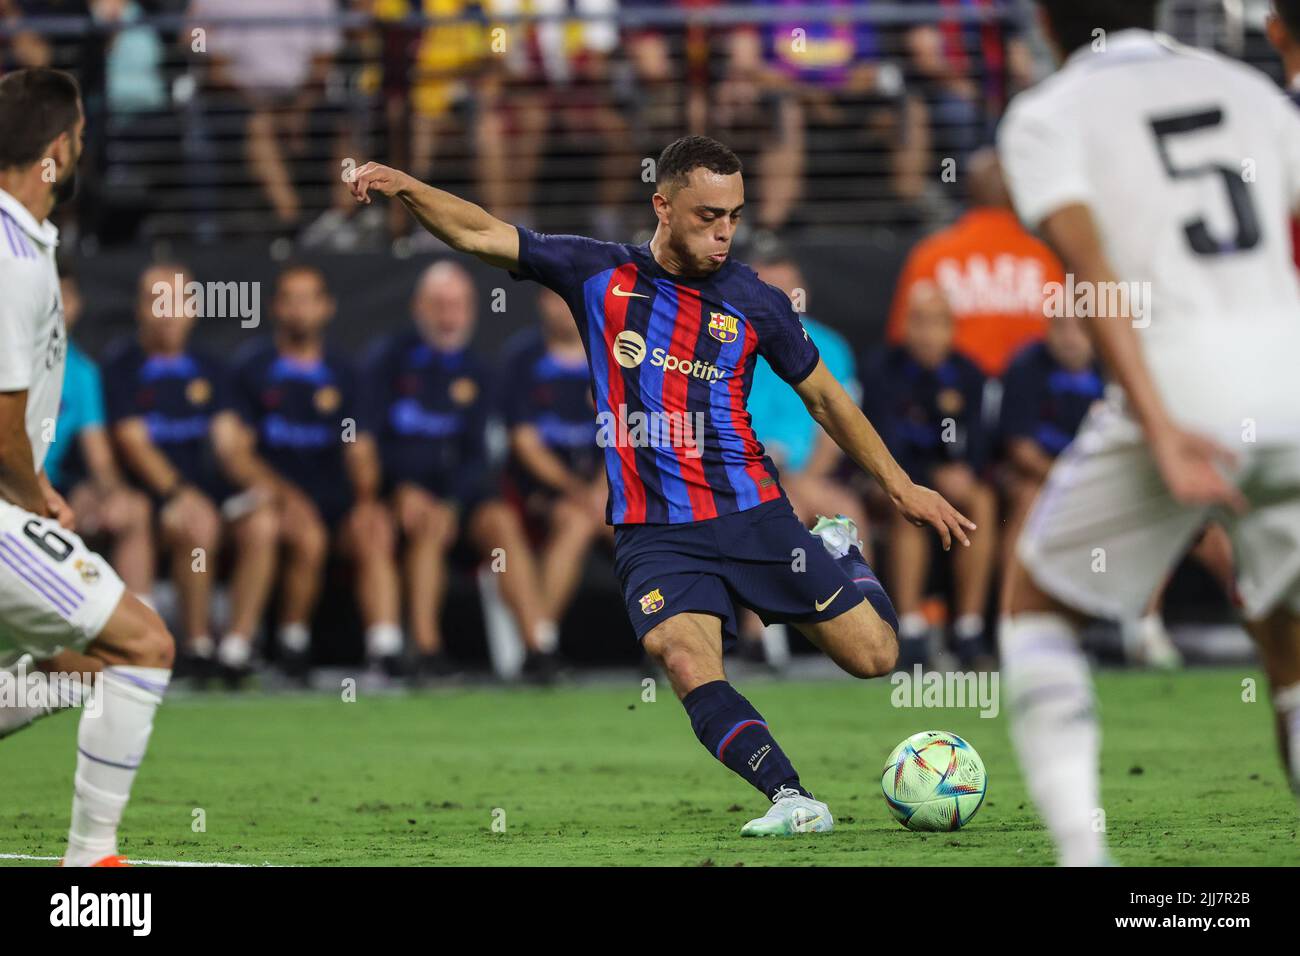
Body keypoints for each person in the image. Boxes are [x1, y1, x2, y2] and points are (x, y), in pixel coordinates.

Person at [348, 134, 974, 835]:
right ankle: (792, 798)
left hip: (753, 513)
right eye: (708, 215)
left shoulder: (755, 301)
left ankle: (839, 550)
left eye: (734, 215)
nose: (724, 231)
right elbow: (479, 231)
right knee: (682, 655)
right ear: (664, 206)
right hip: (654, 532)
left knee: (875, 657)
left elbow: (826, 397)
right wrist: (408, 187)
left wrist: (900, 486)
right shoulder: (596, 274)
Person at [998, 0, 1300, 865]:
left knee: (1035, 611)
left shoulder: (1048, 114)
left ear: (1047, 21)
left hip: (1188, 387)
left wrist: (1162, 427)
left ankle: (1083, 860)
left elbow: (1091, 275)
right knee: (1290, 646)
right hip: (1292, 381)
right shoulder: (1248, 89)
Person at [0, 68, 176, 868]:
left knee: (74, 669)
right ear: (58, 149)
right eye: (77, 139)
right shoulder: (11, 255)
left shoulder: (25, 242)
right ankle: (91, 864)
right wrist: (35, 497)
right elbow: (1, 421)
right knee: (143, 644)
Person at [364, 261, 560, 681]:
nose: (449, 317)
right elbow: (366, 441)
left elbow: (484, 455)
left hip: (462, 500)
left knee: (503, 523)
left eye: (457, 306)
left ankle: (538, 647)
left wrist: (453, 501)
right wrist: (396, 489)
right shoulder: (389, 361)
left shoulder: (481, 373)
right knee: (427, 524)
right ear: (419, 307)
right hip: (401, 497)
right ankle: (427, 650)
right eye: (439, 306)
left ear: (471, 310)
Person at [102, 263, 280, 685]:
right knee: (196, 527)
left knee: (265, 521)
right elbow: (133, 444)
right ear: (140, 310)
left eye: (178, 302)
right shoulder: (121, 366)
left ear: (193, 309)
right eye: (157, 302)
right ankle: (197, 647)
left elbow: (228, 446)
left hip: (210, 496)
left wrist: (270, 489)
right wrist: (180, 494)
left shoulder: (211, 368)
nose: (168, 312)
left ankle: (236, 649)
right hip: (154, 501)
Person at [231, 265, 403, 676]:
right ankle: (251, 647)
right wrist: (286, 497)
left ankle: (387, 648)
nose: (299, 310)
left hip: (333, 503)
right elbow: (235, 453)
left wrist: (364, 501)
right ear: (275, 307)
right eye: (290, 299)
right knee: (283, 528)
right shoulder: (252, 368)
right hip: (265, 499)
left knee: (373, 525)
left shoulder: (347, 374)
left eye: (309, 299)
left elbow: (360, 449)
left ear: (326, 308)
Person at [865, 280, 997, 669]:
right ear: (906, 326)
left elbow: (982, 440)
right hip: (889, 479)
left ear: (951, 329)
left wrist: (966, 470)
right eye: (919, 322)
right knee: (910, 502)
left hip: (952, 482)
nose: (927, 334)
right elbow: (882, 444)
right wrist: (932, 477)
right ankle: (911, 629)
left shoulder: (969, 374)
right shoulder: (883, 371)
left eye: (938, 323)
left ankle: (970, 627)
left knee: (983, 501)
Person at [885, 147, 1062, 377]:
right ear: (1017, 194)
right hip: (1031, 394)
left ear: (968, 192)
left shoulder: (931, 254)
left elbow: (899, 337)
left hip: (951, 392)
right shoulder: (1046, 258)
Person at [500, 286, 610, 645]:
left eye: (571, 299)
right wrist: (578, 492)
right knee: (576, 522)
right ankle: (541, 644)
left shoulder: (614, 356)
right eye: (554, 299)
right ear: (541, 304)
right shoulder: (521, 359)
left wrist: (601, 490)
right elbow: (524, 443)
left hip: (609, 491)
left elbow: (628, 433)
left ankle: (669, 643)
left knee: (649, 537)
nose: (564, 309)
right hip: (542, 493)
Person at [46, 269, 155, 611]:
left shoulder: (82, 373)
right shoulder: (10, 360)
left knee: (132, 510)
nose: (57, 308)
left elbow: (100, 458)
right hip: (17, 490)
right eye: (48, 297)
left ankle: (141, 640)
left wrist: (110, 492)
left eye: (65, 297)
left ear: (78, 304)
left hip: (50, 490)